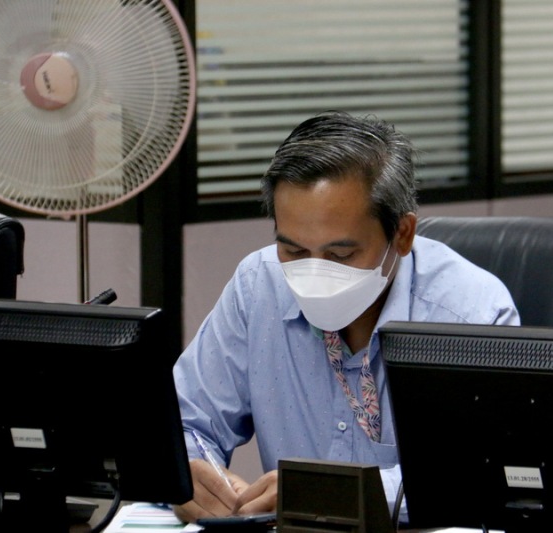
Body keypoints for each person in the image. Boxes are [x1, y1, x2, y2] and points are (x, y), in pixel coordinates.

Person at [172, 110, 520, 524]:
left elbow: (489, 474)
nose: (314, 273)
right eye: (294, 251)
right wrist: (190, 473)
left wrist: (329, 493)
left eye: (340, 254)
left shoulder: (471, 313)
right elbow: (185, 423)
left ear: (402, 234)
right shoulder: (258, 285)